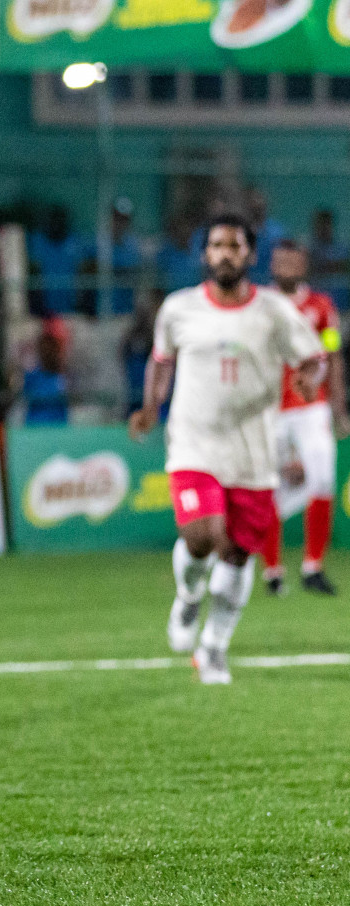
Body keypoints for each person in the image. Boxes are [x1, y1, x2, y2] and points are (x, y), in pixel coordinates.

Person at [129, 213, 325, 685]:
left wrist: (308, 378)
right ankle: (189, 596)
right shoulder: (179, 309)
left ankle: (214, 648)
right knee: (200, 534)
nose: (225, 254)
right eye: (216, 245)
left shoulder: (276, 311)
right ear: (205, 254)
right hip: (195, 443)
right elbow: (161, 360)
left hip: (254, 452)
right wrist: (150, 405)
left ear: (250, 255)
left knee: (238, 554)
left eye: (234, 246)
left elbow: (315, 357)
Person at [262, 240, 349, 596]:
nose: (286, 269)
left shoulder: (322, 307)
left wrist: (339, 408)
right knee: (267, 486)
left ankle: (313, 565)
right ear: (271, 265)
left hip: (312, 406)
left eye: (293, 263)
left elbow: (332, 357)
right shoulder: (259, 306)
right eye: (280, 262)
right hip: (269, 408)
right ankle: (272, 572)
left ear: (303, 266)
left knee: (323, 479)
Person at [27, 205, 90, 317]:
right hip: (44, 311)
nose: (56, 224)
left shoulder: (75, 242)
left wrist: (82, 305)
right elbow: (33, 273)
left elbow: (82, 274)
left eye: (59, 221)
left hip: (71, 309)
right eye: (53, 220)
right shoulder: (37, 241)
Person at [21, 321, 69, 426]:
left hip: (55, 423)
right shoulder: (33, 373)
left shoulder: (61, 375)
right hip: (38, 423)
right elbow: (26, 394)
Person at [309, 207, 350, 312]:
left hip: (341, 305)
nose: (323, 228)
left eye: (326, 224)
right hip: (316, 307)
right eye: (320, 225)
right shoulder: (309, 251)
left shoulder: (342, 250)